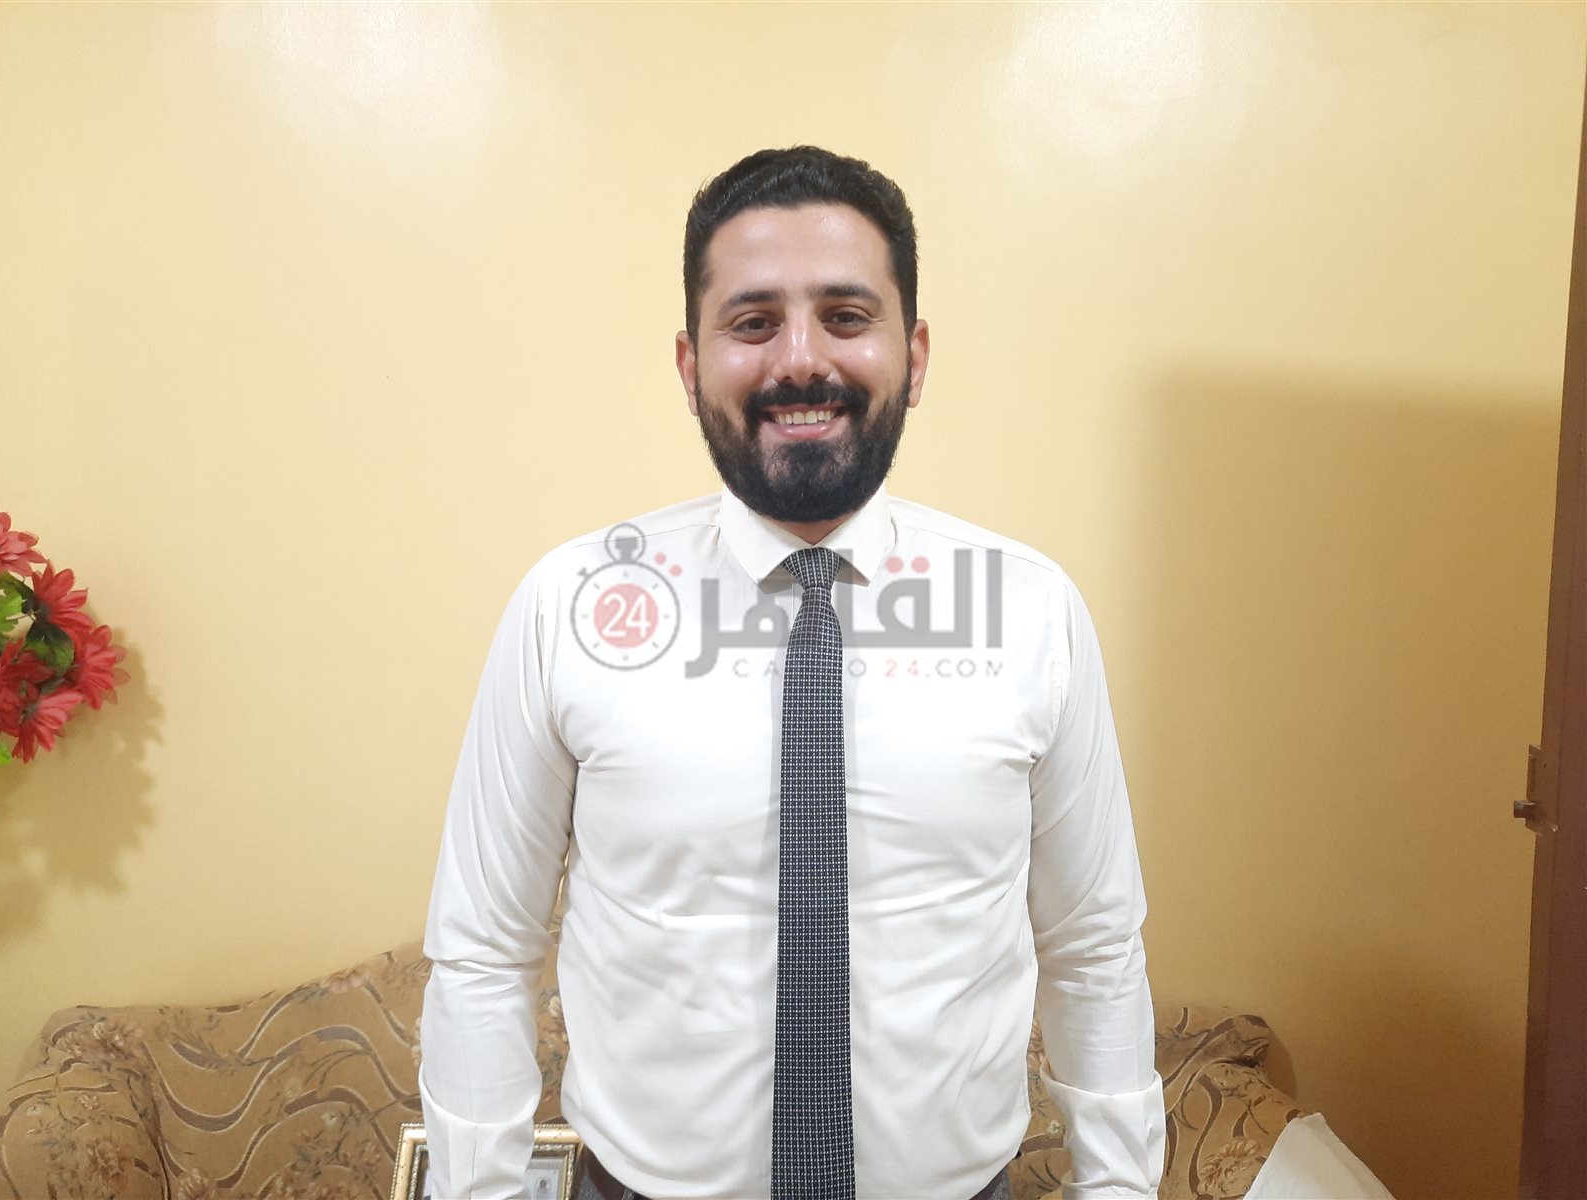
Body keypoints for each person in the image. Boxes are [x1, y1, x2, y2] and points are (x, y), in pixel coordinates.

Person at [419, 145, 1166, 1200]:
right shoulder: (570, 607)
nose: (801, 360)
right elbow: (483, 953)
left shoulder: (1031, 612)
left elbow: (1093, 947)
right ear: (691, 365)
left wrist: (1120, 1188)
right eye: (754, 321)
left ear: (913, 355)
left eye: (846, 317)